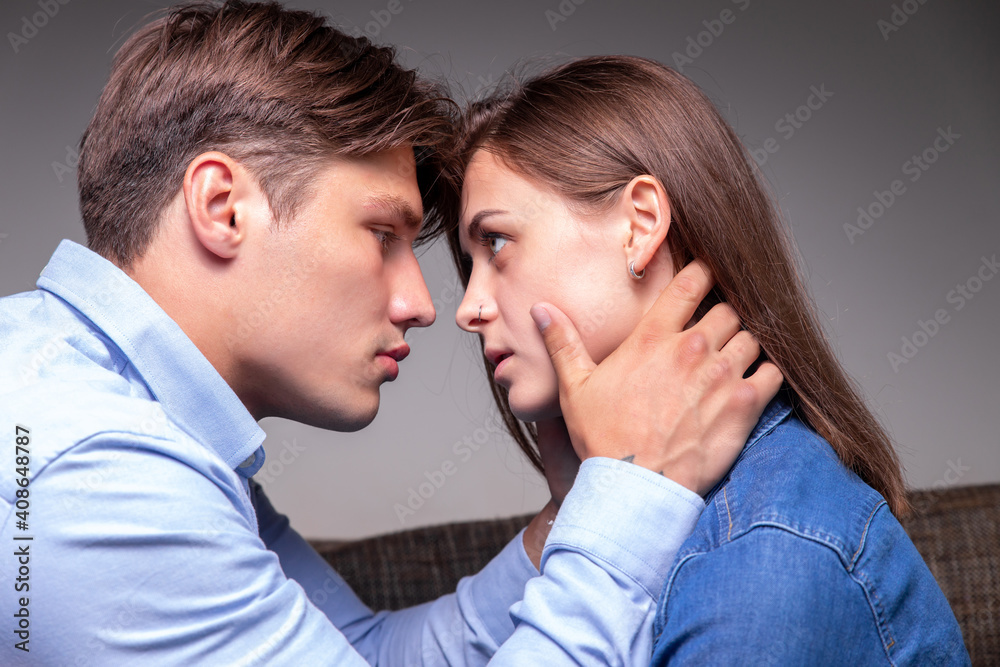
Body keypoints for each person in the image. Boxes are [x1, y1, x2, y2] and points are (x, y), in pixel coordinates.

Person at [0, 3, 783, 665]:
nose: (425, 303)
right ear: (223, 207)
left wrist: (574, 510)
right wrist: (630, 498)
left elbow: (364, 651)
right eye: (382, 235)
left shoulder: (131, 414)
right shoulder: (91, 477)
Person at [446, 55, 971, 664]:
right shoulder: (704, 525)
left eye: (498, 242)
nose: (468, 307)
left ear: (639, 226)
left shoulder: (761, 562)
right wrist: (588, 502)